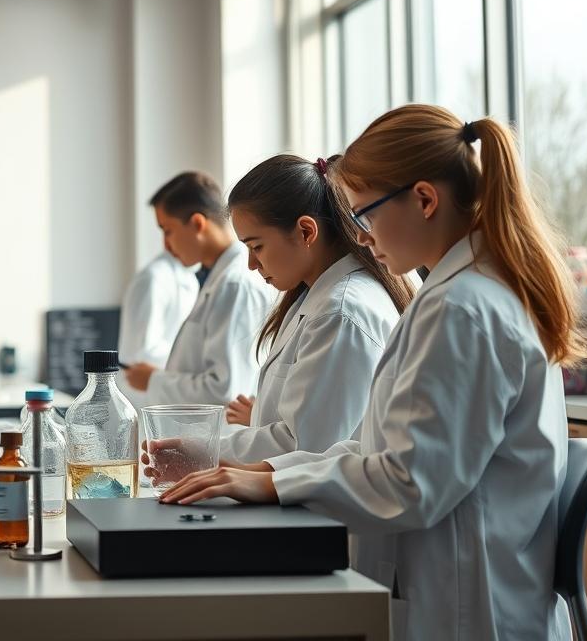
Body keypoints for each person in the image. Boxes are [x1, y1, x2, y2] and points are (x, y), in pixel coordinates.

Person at [160, 105, 587, 641]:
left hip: (470, 614)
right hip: (459, 593)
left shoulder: (461, 309)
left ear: (424, 200)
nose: (360, 234)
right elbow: (367, 445)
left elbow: (411, 483)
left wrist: (275, 484)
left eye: (364, 213)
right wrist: (266, 476)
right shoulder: (459, 294)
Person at [142, 155, 408, 482]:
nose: (252, 264)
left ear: (306, 231)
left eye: (257, 246)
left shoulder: (341, 312)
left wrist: (206, 452)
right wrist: (206, 452)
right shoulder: (314, 298)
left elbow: (305, 448)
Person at [123, 172, 274, 407]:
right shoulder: (217, 280)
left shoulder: (235, 285)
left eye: (167, 230)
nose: (166, 244)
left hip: (223, 438)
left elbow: (227, 391)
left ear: (197, 224)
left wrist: (153, 380)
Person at [117, 251, 198, 375]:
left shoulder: (190, 278)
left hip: (166, 378)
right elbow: (144, 349)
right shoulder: (153, 278)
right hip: (140, 383)